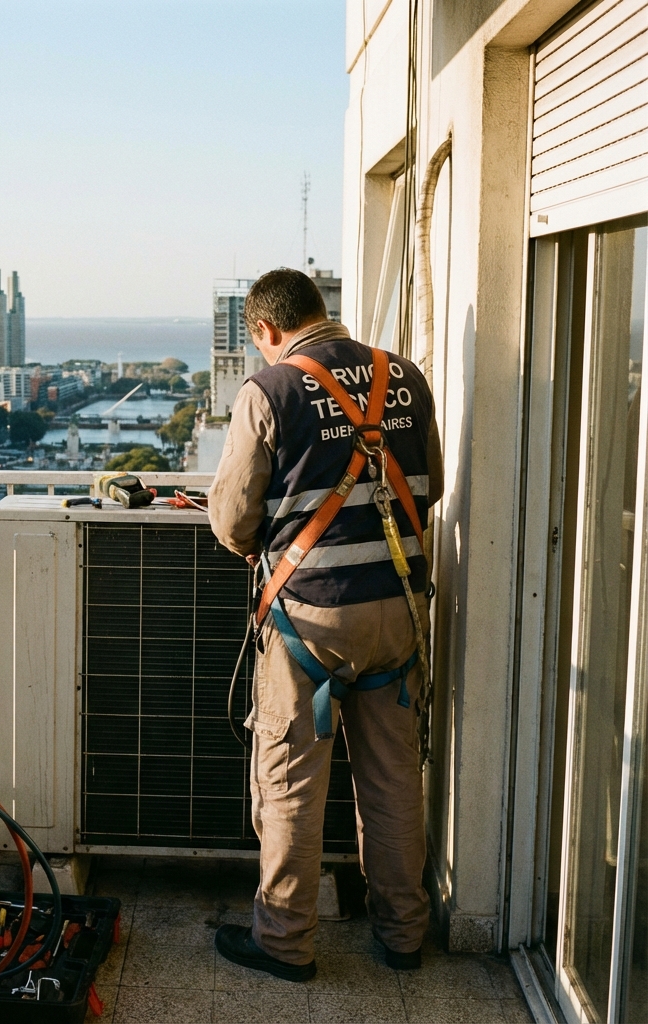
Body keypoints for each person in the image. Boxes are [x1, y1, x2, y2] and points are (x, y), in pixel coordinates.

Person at [208, 268, 443, 982]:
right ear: (321, 310)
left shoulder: (269, 391)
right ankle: (403, 935)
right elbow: (430, 485)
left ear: (266, 330)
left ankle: (285, 942)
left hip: (309, 619)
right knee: (393, 778)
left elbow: (233, 521)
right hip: (397, 610)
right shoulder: (405, 377)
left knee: (290, 782)